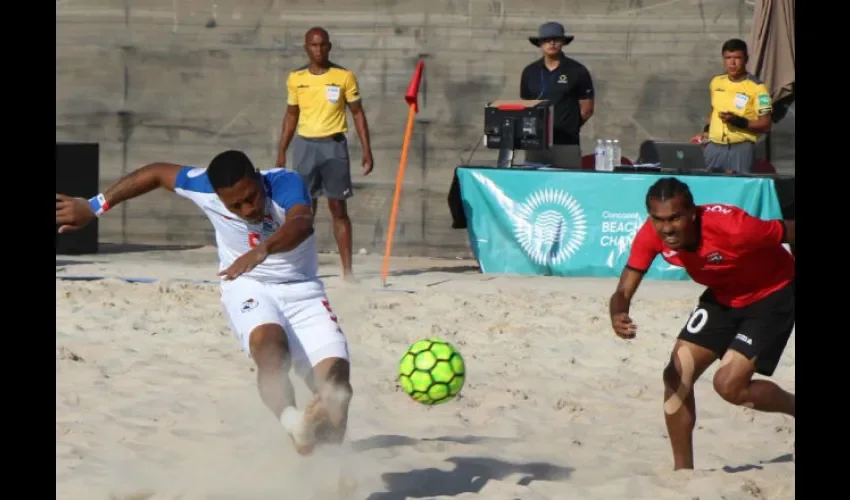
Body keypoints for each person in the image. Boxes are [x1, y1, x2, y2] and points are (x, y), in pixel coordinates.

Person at [55, 150, 353, 456]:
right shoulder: (202, 186)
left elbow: (302, 223)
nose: (248, 209)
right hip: (248, 286)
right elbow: (156, 170)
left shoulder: (284, 183)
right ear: (220, 198)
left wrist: (262, 250)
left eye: (252, 197)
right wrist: (94, 206)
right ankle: (294, 424)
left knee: (337, 388)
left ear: (258, 178)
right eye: (235, 205)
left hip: (302, 289)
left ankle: (330, 467)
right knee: (269, 350)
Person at [608, 177, 795, 470]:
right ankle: (683, 474)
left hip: (772, 295)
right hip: (722, 297)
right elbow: (623, 289)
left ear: (692, 213)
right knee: (675, 374)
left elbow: (788, 230)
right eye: (658, 219)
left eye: (674, 219)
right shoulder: (651, 235)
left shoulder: (734, 227)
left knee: (729, 387)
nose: (666, 228)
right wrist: (618, 313)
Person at [276, 26, 373, 282]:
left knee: (337, 208)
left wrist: (367, 149)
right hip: (306, 146)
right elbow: (291, 115)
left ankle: (347, 272)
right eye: (313, 45)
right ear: (306, 47)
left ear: (329, 46)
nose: (318, 50)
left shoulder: (343, 76)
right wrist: (282, 149)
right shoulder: (296, 78)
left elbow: (358, 113)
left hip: (334, 147)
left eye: (322, 45)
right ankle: (300, 268)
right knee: (303, 209)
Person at [520, 21, 595, 169]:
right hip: (537, 143)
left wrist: (570, 126)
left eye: (556, 39)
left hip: (567, 143)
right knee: (536, 187)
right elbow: (526, 108)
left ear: (563, 42)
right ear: (540, 44)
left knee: (567, 187)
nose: (552, 43)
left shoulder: (577, 70)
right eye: (547, 40)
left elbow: (587, 109)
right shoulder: (530, 71)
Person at [692, 39, 772, 174]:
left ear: (746, 59)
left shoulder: (758, 87)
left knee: (741, 186)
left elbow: (766, 124)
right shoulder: (716, 82)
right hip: (714, 147)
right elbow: (713, 112)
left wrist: (739, 122)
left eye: (737, 58)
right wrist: (706, 131)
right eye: (728, 58)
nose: (732, 63)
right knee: (708, 183)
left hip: (741, 148)